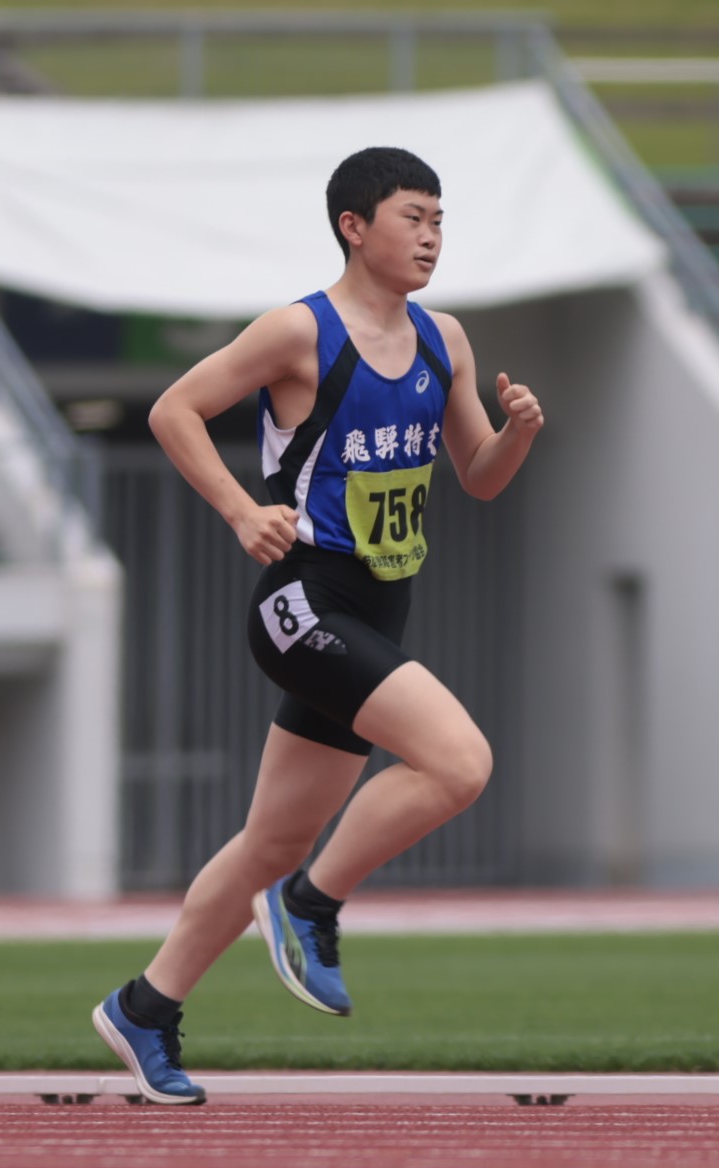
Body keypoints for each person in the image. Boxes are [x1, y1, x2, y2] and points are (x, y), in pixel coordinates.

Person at [92, 148, 545, 1104]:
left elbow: (479, 477)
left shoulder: (443, 340)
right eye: (412, 217)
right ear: (354, 225)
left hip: (378, 609)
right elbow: (177, 409)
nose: (429, 236)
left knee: (267, 837)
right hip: (302, 603)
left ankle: (144, 1007)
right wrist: (238, 509)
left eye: (439, 220)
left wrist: (519, 435)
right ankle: (308, 904)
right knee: (458, 764)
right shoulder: (299, 331)